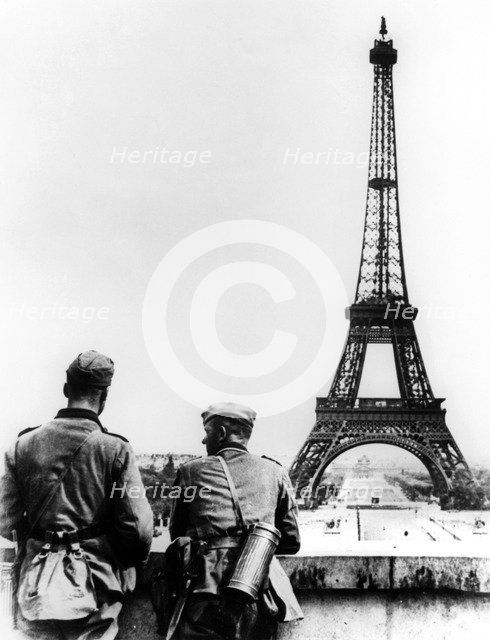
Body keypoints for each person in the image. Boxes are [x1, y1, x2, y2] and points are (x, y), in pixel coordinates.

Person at [0, 350, 154, 640]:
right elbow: (139, 526)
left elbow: (2, 517)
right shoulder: (115, 449)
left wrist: (39, 538)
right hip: (94, 587)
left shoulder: (22, 444)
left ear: (66, 389)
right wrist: (129, 560)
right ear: (104, 397)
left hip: (35, 587)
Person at [169, 401, 301, 640]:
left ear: (220, 433)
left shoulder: (190, 471)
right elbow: (291, 541)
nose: (203, 440)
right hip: (257, 592)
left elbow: (176, 534)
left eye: (207, 433)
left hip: (205, 590)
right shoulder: (275, 471)